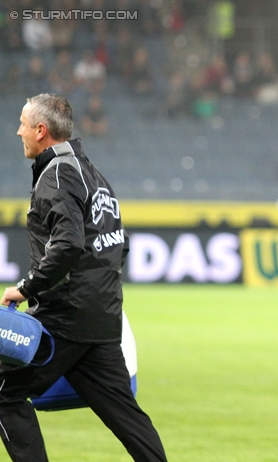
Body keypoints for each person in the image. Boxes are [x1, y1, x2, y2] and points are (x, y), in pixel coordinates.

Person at [0, 93, 167, 462]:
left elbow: (68, 245)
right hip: (102, 321)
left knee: (4, 394)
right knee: (127, 418)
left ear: (41, 130)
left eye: (23, 125)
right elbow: (118, 244)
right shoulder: (93, 173)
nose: (18, 132)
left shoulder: (57, 175)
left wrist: (25, 288)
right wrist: (98, 292)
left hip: (65, 320)